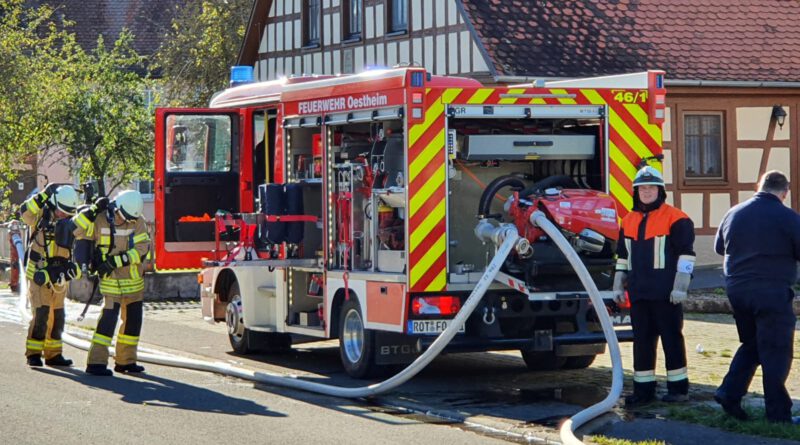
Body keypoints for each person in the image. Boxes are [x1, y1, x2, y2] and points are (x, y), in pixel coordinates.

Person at [713, 170, 800, 423]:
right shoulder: (787, 217)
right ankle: (778, 415)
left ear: (758, 186)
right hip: (771, 292)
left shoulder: (734, 213)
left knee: (752, 345)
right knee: (776, 351)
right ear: (784, 193)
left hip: (738, 291)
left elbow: (720, 247)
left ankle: (729, 392)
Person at [613, 166, 695, 405]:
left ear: (660, 191)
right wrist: (618, 285)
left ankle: (679, 390)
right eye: (642, 188)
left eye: (651, 188)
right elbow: (622, 257)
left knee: (672, 339)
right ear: (635, 192)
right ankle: (643, 391)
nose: (646, 192)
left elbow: (686, 257)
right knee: (642, 342)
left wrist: (680, 287)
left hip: (666, 294)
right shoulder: (627, 220)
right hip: (639, 293)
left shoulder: (676, 218)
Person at [72, 189, 150, 376]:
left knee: (133, 323)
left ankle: (126, 362)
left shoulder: (137, 220)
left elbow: (142, 248)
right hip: (111, 282)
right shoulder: (99, 219)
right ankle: (96, 363)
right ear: (116, 208)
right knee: (107, 321)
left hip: (133, 282)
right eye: (123, 217)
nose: (126, 222)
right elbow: (75, 229)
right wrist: (91, 210)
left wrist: (116, 261)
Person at [19, 184, 82, 367]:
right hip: (39, 275)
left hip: (59, 277)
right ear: (53, 204)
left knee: (58, 315)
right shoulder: (40, 216)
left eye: (68, 213)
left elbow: (83, 235)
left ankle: (54, 354)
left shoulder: (71, 221)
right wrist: (42, 195)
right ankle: (34, 353)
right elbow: (25, 212)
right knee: (41, 314)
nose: (64, 216)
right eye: (62, 211)